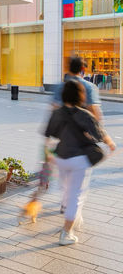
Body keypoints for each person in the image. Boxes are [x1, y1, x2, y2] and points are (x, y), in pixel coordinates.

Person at [44, 80, 116, 245]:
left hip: (61, 158)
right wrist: (110, 143)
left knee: (66, 189)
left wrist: (47, 157)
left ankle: (70, 213)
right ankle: (66, 233)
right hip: (79, 160)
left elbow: (49, 136)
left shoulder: (57, 113)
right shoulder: (84, 114)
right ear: (80, 95)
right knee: (76, 195)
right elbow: (100, 134)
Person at [53, 57, 102, 121]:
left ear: (68, 68)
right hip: (82, 128)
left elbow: (54, 108)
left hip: (64, 128)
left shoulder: (60, 87)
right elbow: (94, 112)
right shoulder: (89, 87)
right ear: (82, 69)